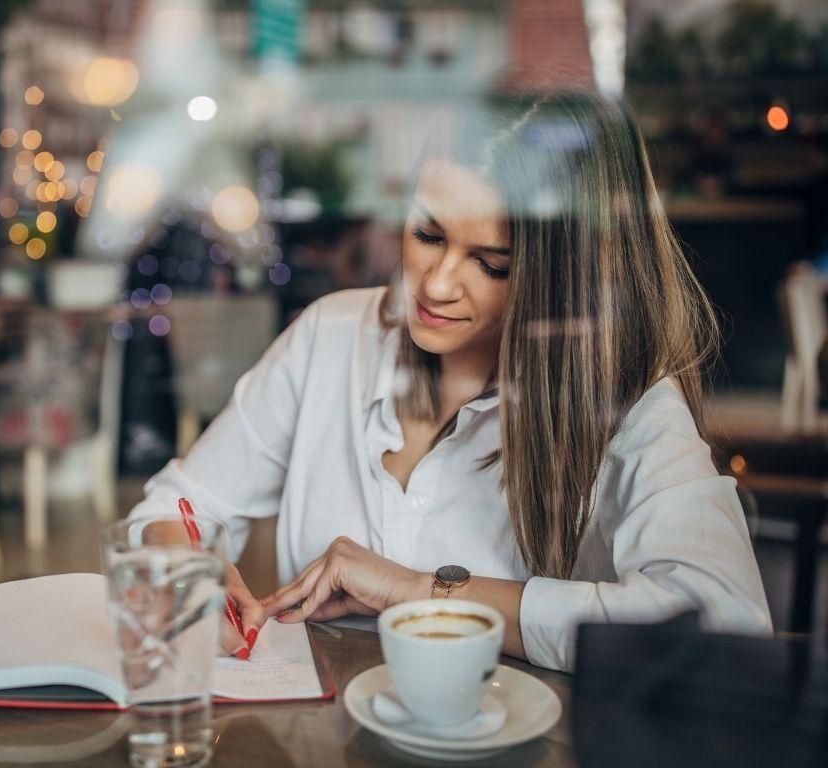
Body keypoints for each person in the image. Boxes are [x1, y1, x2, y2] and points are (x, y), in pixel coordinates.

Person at [130, 92, 772, 672]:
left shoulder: (622, 392)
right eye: (427, 234)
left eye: (492, 265)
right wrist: (187, 568)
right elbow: (178, 506)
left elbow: (723, 626)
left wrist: (423, 591)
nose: (435, 285)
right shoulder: (331, 336)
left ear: (564, 278)